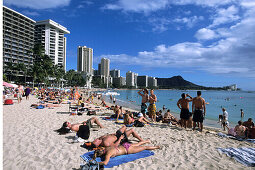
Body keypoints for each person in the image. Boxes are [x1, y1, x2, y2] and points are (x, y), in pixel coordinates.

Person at [92, 140, 160, 166]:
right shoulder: (107, 148)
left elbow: (105, 163)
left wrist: (96, 162)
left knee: (145, 148)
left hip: (127, 150)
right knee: (138, 144)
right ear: (101, 149)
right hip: (125, 145)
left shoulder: (108, 153)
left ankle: (157, 147)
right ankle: (146, 141)